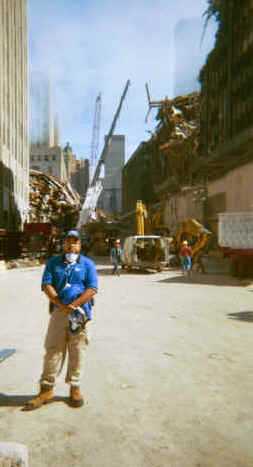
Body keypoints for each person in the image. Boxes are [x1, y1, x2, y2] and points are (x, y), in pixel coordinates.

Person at [23, 229, 98, 411]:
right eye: (68, 241)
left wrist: (74, 305)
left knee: (77, 349)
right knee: (53, 348)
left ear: (80, 245)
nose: (72, 245)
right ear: (63, 244)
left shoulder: (88, 264)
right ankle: (46, 389)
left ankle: (75, 387)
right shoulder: (53, 263)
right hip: (59, 311)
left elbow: (92, 288)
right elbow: (46, 284)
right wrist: (59, 303)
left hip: (79, 313)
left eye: (75, 242)